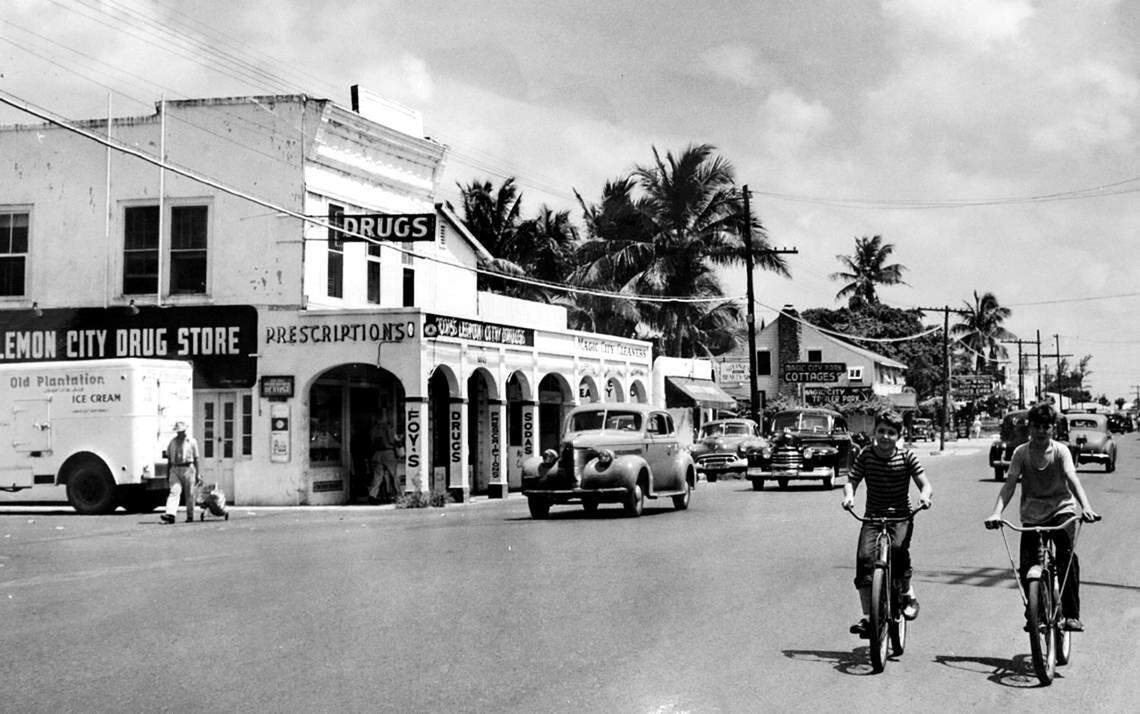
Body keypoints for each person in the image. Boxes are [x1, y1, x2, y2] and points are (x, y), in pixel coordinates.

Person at [984, 403, 1100, 631]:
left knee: (1066, 557)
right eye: (1036, 426)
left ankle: (1071, 614)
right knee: (1028, 565)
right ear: (1030, 427)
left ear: (1053, 429)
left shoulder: (1061, 451)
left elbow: (1071, 478)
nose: (1040, 431)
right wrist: (997, 512)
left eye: (1045, 427)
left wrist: (1086, 506)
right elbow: (1009, 485)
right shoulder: (1021, 453)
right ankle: (1035, 614)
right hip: (1032, 514)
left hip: (1061, 510)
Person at [842, 411, 933, 638]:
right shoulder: (866, 455)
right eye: (881, 431)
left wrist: (925, 496)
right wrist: (849, 496)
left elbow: (925, 484)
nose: (885, 437)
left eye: (891, 433)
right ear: (875, 432)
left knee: (899, 550)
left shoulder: (907, 457)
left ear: (898, 436)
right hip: (872, 517)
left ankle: (908, 593)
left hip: (901, 516)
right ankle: (869, 617)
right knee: (864, 559)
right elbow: (851, 480)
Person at [162, 421, 201, 524]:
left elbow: (196, 459)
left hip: (188, 468)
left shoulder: (192, 442)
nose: (180, 434)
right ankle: (170, 514)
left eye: (182, 431)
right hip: (175, 468)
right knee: (174, 491)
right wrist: (168, 473)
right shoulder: (172, 442)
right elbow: (169, 459)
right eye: (179, 432)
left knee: (190, 493)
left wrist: (197, 474)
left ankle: (190, 515)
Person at [368, 413, 400, 504]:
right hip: (388, 453)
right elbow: (393, 440)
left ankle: (372, 495)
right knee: (394, 475)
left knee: (377, 476)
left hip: (377, 453)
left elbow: (372, 441)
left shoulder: (373, 429)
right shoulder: (388, 428)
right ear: (384, 417)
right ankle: (399, 495)